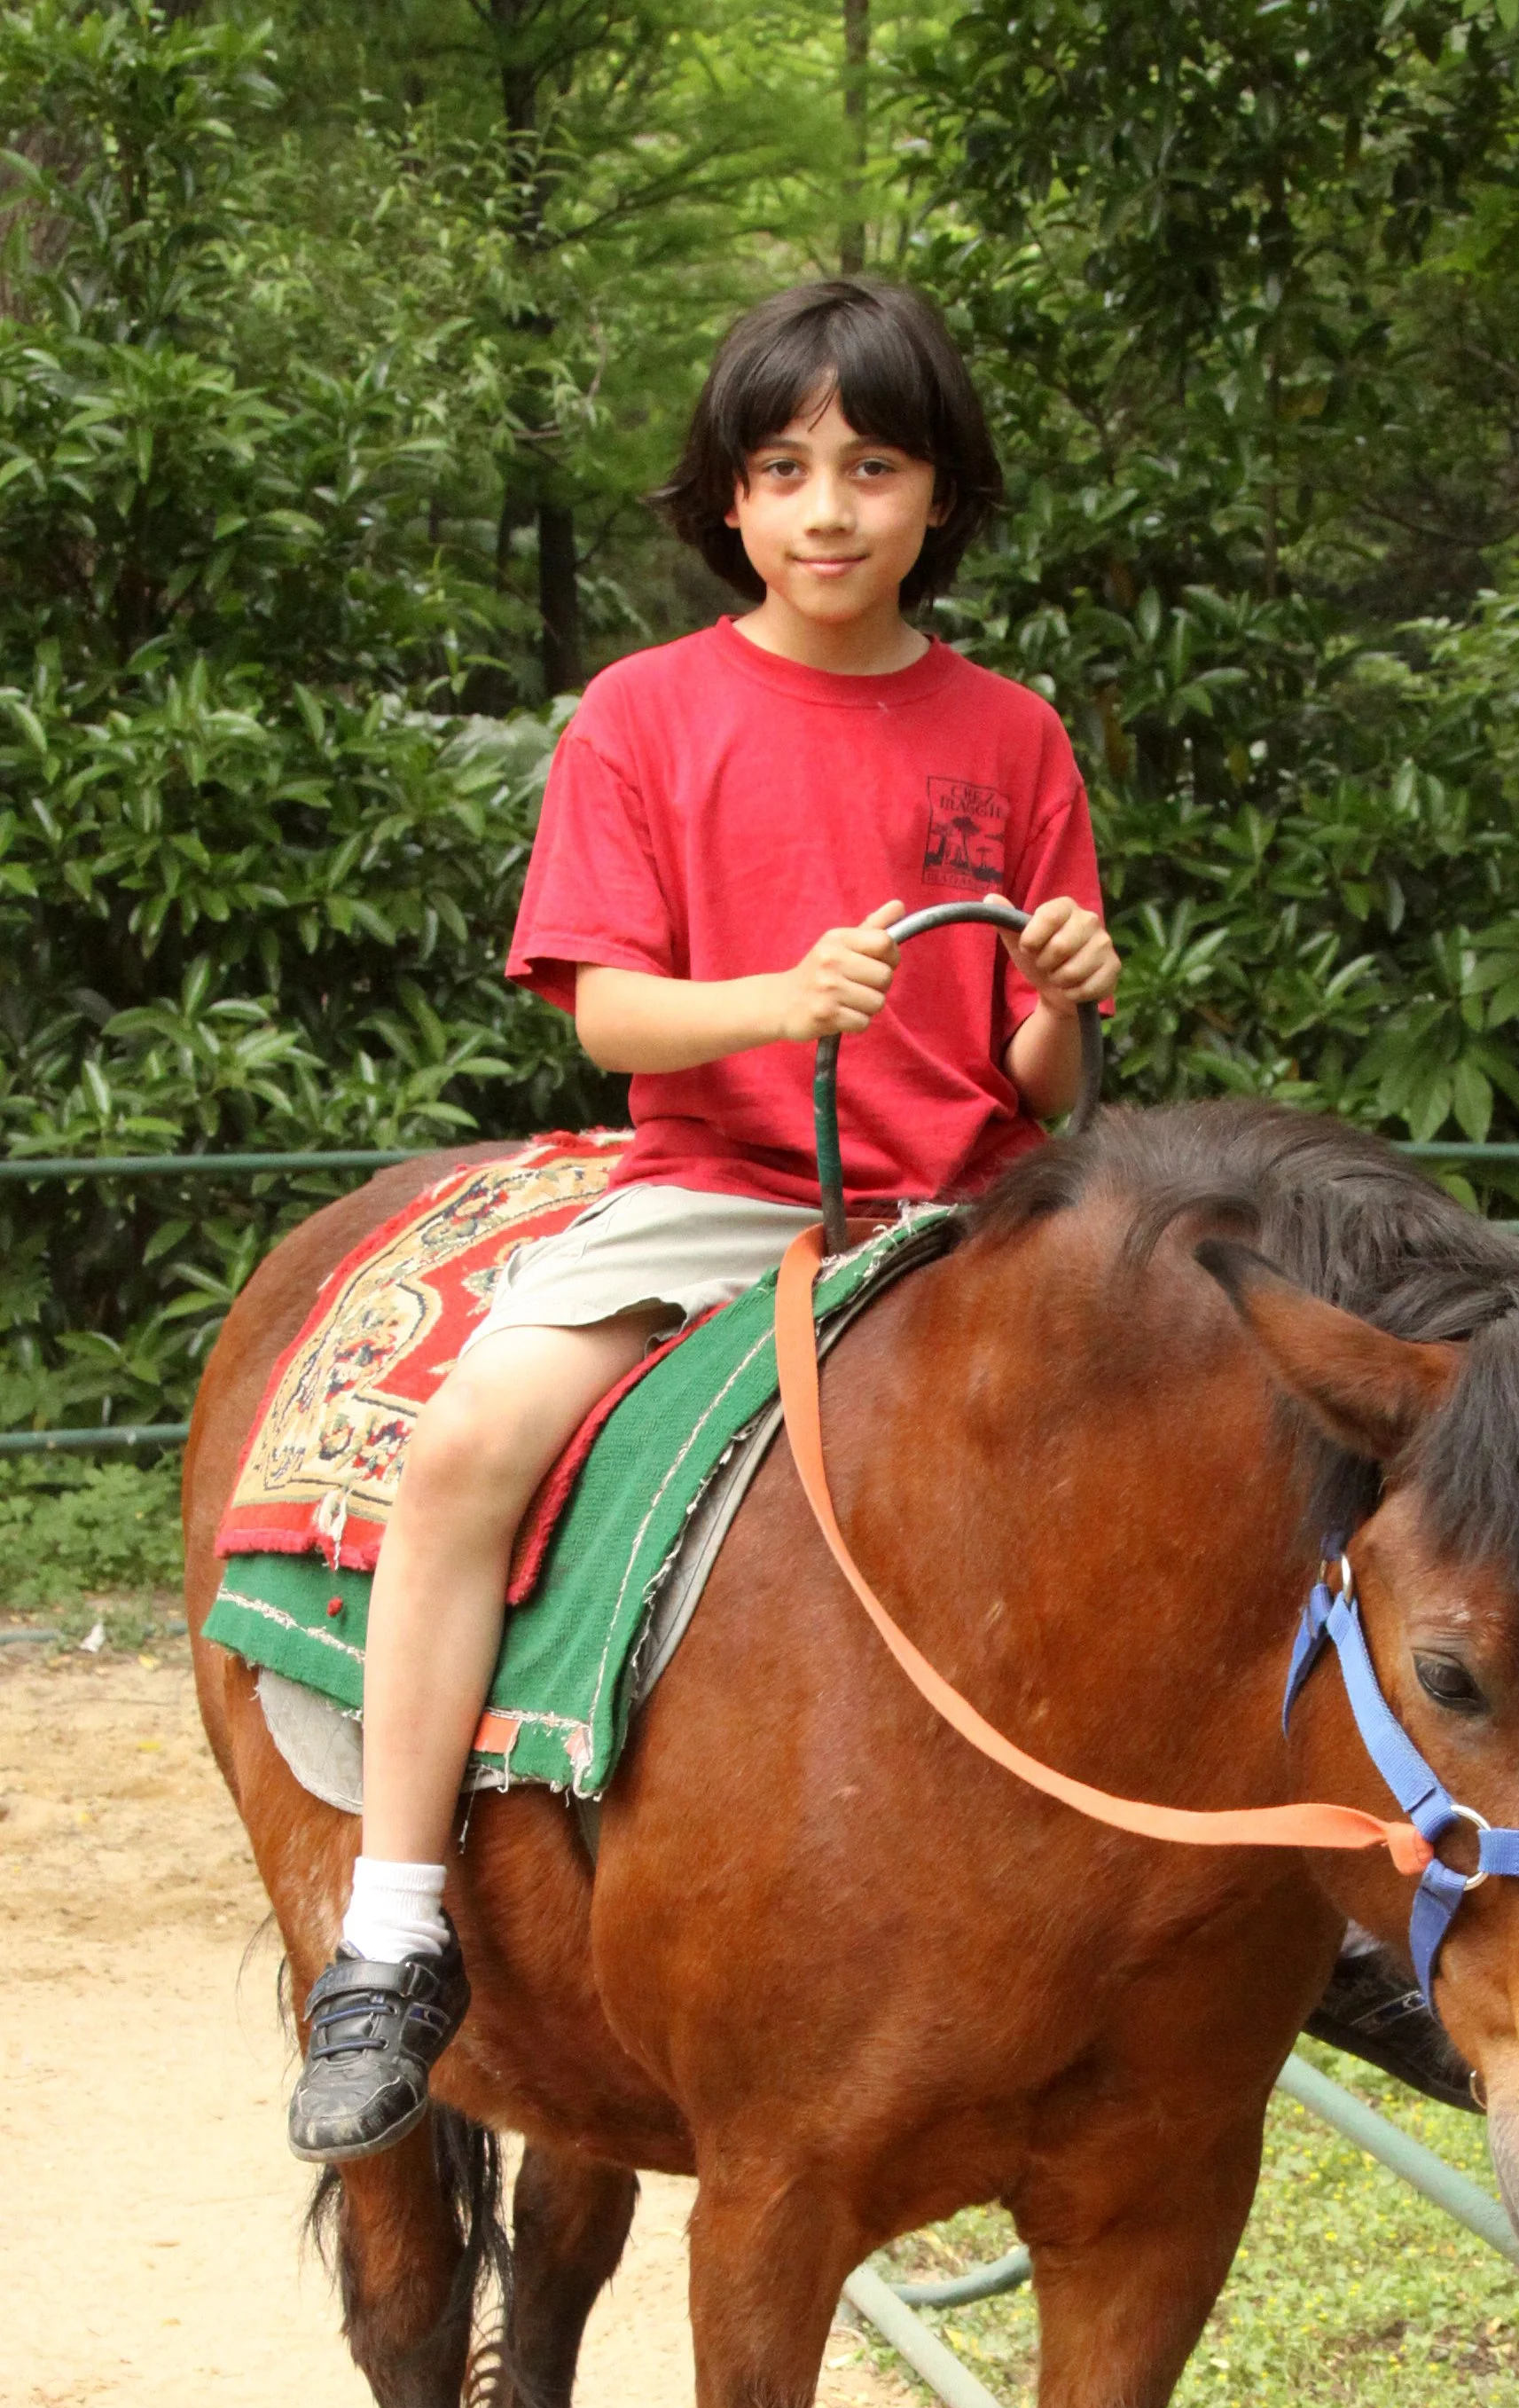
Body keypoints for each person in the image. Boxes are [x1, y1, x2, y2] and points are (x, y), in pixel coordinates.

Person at [287, 274, 1121, 2161]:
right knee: (469, 1446)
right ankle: (396, 1930)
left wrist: (1064, 991)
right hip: (730, 1195)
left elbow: (1042, 1077)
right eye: (784, 466)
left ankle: (1301, 1912)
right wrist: (778, 1003)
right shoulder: (644, 717)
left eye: (874, 464)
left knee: (1219, 1430)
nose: (830, 508)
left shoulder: (1014, 736)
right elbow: (603, 1013)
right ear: (728, 503)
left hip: (977, 1219)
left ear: (938, 495)